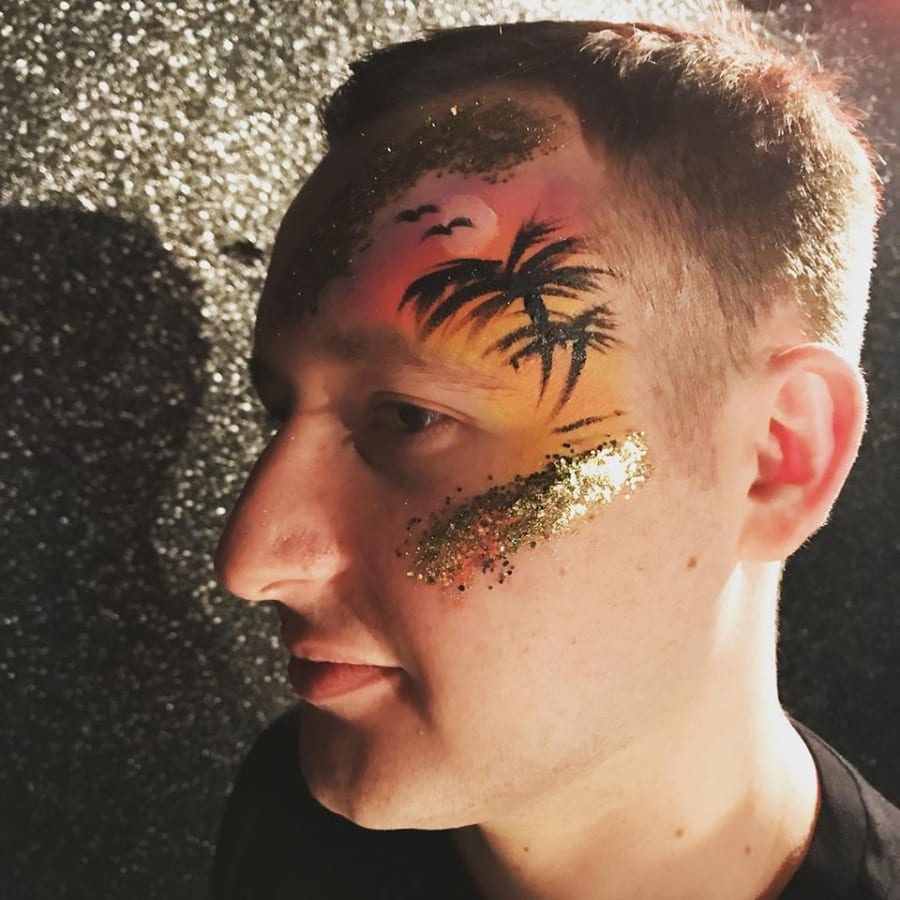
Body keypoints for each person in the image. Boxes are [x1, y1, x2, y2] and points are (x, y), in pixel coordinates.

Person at [211, 17, 900, 900]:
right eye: (276, 412)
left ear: (776, 457)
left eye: (411, 417)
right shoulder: (296, 816)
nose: (249, 560)